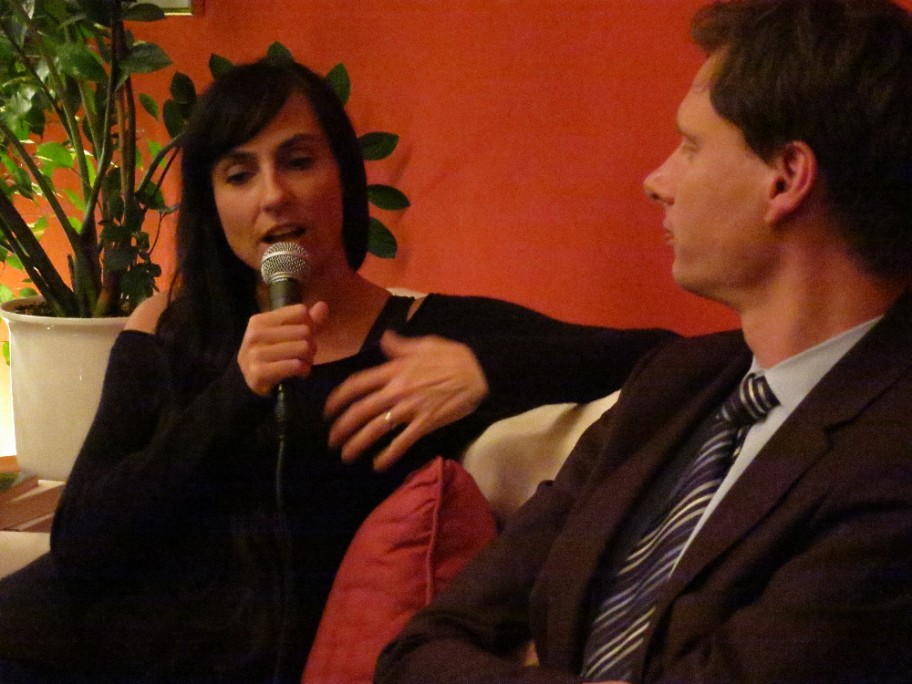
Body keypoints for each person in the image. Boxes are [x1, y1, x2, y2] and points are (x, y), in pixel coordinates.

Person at [0, 58, 671, 683]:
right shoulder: (166, 326)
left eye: (298, 162)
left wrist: (485, 369)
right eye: (239, 175)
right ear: (211, 204)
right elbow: (82, 540)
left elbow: (666, 354)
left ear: (343, 178)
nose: (273, 196)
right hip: (54, 642)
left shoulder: (425, 336)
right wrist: (236, 393)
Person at [375, 1, 912, 682]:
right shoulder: (673, 384)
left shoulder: (892, 456)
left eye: (690, 147)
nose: (657, 183)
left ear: (785, 178)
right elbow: (416, 653)